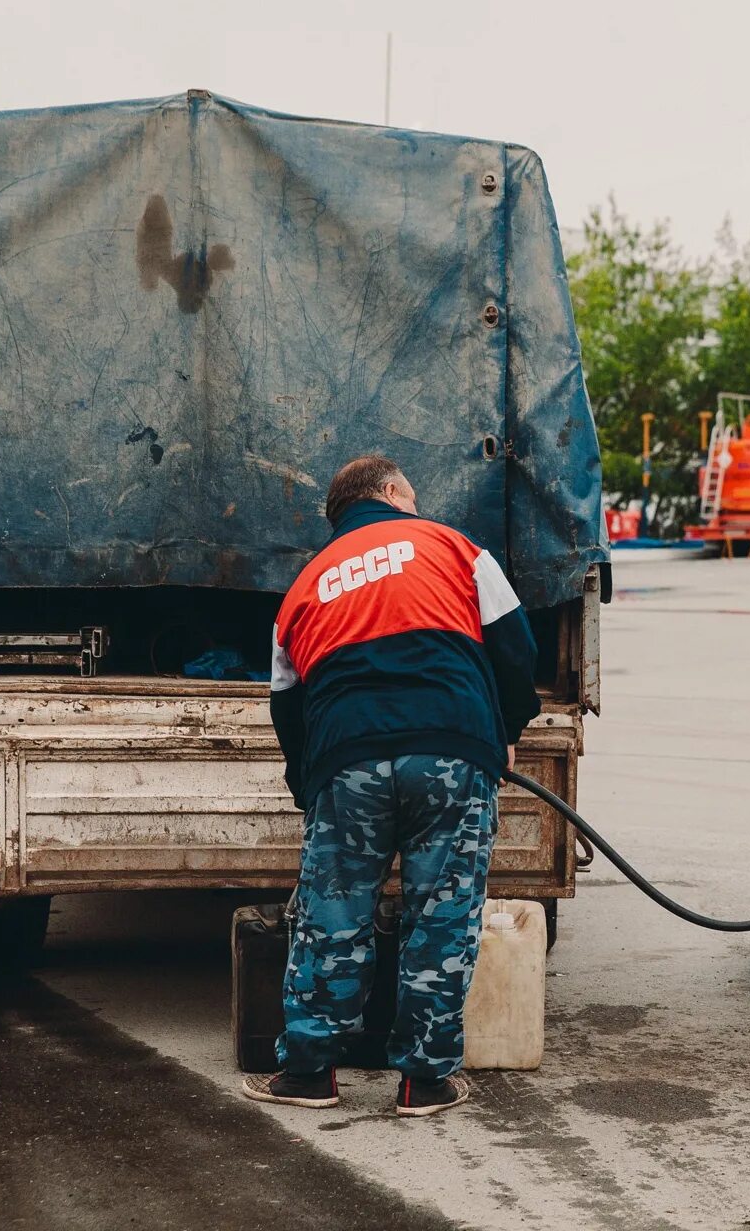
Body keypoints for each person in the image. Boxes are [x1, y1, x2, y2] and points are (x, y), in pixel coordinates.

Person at [241, 455, 540, 1117]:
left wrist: (308, 786)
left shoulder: (305, 585)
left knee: (332, 915)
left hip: (346, 761)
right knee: (442, 915)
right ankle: (423, 1082)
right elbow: (516, 649)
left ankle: (310, 1075)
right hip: (450, 749)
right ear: (393, 493)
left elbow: (286, 705)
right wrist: (503, 729)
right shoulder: (454, 548)